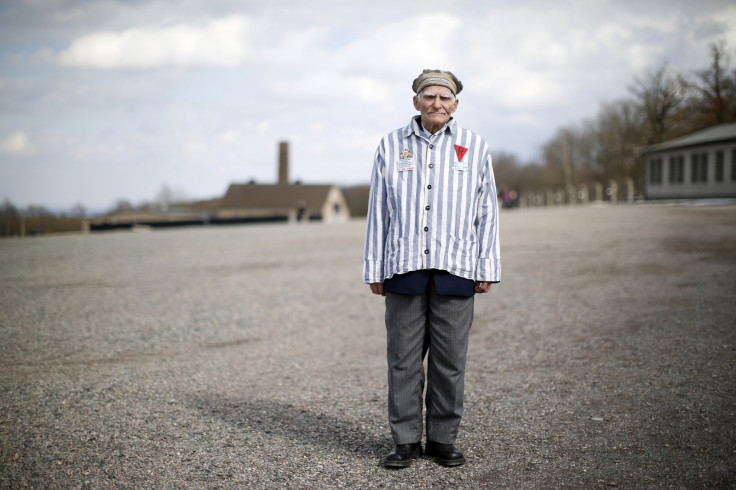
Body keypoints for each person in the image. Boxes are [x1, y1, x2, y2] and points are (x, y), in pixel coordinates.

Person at [363, 69, 501, 468]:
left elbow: (487, 210)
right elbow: (378, 212)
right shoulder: (391, 146)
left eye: (444, 97)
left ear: (455, 103)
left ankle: (442, 439)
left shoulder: (475, 146)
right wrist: (375, 268)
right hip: (404, 266)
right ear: (416, 102)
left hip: (457, 267)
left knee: (449, 361)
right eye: (429, 97)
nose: (436, 103)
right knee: (403, 360)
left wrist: (486, 265)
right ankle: (404, 441)